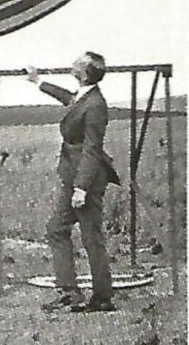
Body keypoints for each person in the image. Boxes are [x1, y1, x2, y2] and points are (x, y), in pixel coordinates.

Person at [25, 52, 121, 314]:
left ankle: (102, 298)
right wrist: (39, 82)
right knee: (57, 229)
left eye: (77, 62)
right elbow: (69, 100)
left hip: (85, 178)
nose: (72, 63)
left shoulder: (95, 106)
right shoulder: (85, 97)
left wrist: (81, 188)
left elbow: (92, 149)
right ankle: (69, 292)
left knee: (91, 237)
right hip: (73, 175)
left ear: (84, 73)